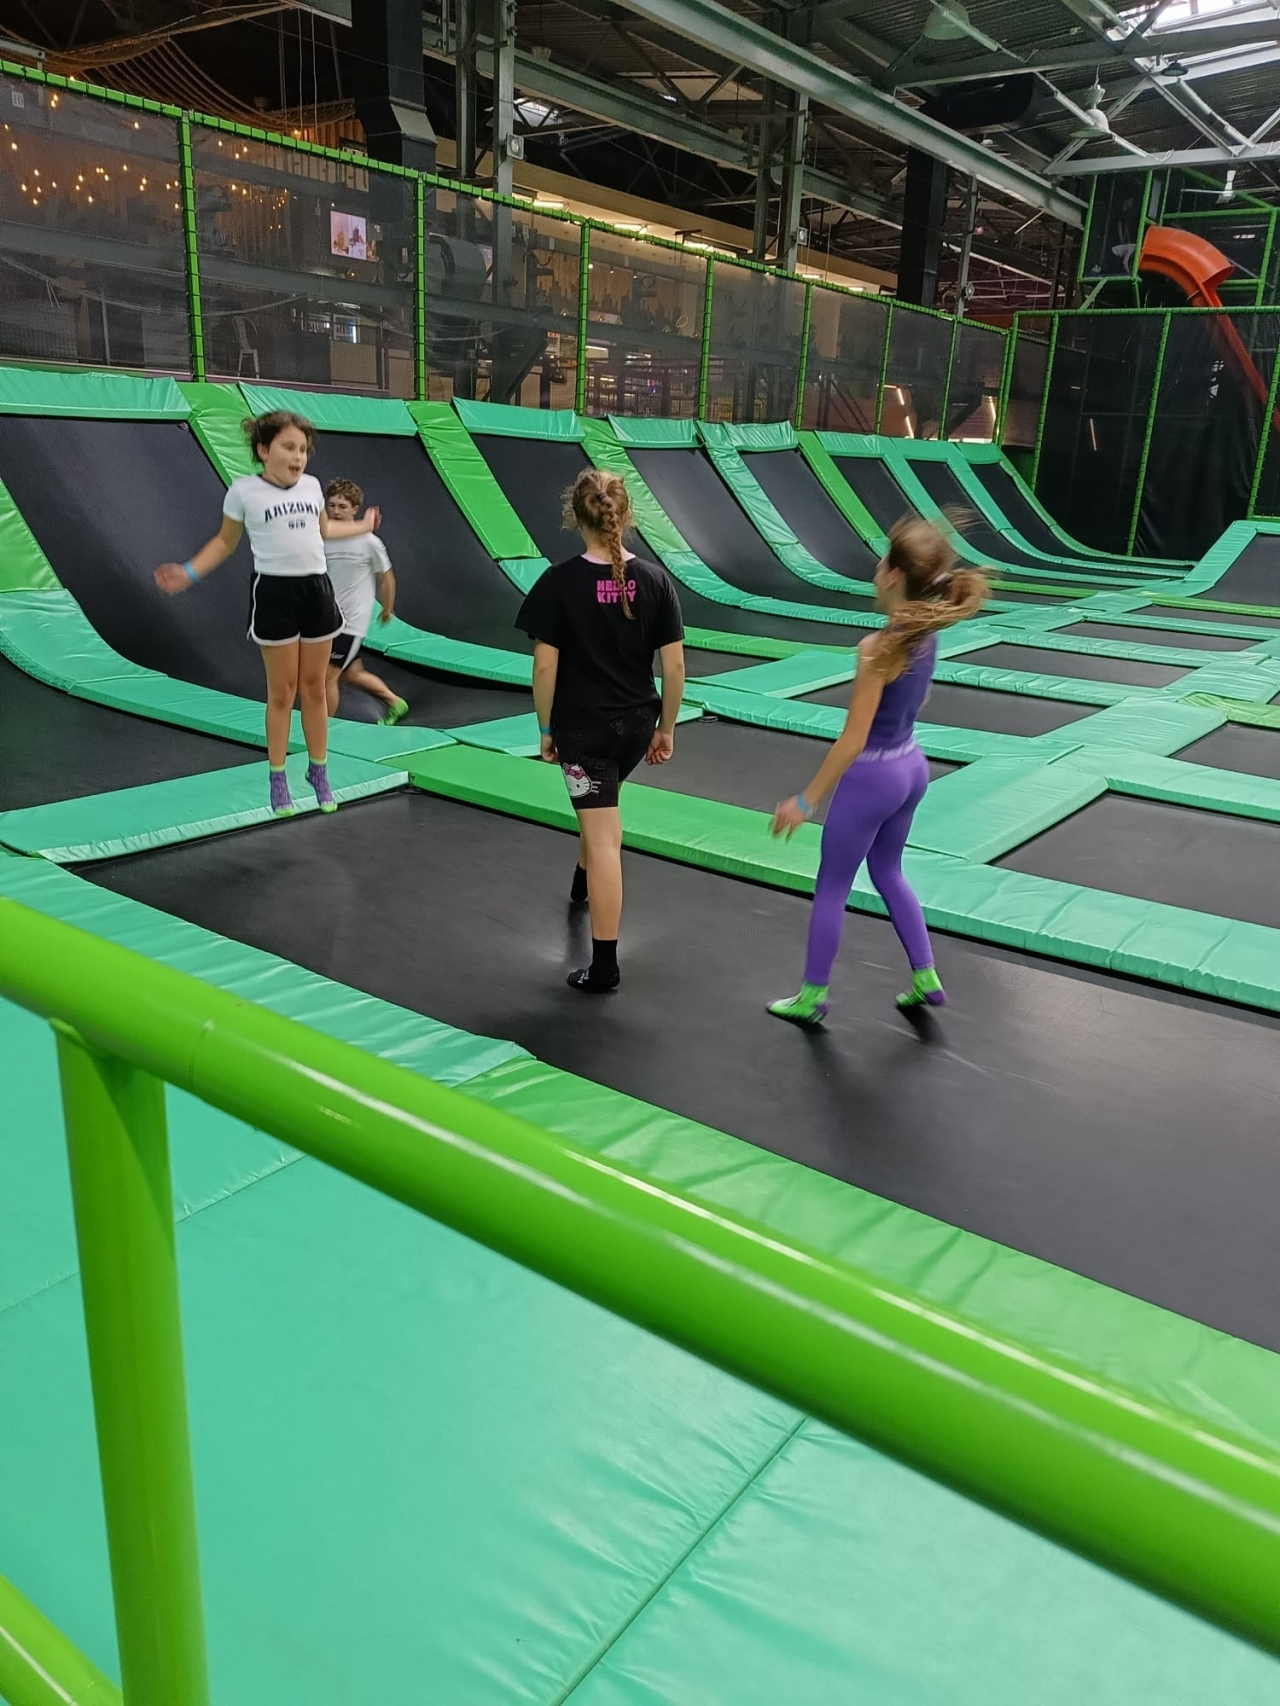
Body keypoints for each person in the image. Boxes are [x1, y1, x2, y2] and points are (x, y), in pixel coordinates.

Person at [768, 515, 989, 1025]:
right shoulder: (926, 635)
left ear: (893, 575)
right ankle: (925, 974)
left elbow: (853, 739)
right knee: (888, 871)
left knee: (832, 887)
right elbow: (920, 698)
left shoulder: (878, 648)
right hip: (911, 766)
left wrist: (805, 801)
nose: (874, 569)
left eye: (880, 560)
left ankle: (812, 996)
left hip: (873, 777)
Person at [155, 410, 380, 817]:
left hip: (316, 592)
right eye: (288, 447)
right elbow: (224, 543)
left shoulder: (312, 487)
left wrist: (362, 527)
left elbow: (325, 530)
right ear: (263, 450)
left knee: (315, 688)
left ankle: (318, 770)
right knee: (282, 692)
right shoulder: (244, 492)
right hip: (275, 595)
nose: (298, 457)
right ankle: (278, 777)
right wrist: (188, 572)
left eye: (303, 450)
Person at [516, 467, 685, 993]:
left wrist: (545, 728)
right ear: (626, 515)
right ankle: (581, 878)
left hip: (583, 730)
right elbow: (675, 667)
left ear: (576, 517)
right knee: (601, 808)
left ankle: (605, 965)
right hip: (635, 725)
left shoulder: (559, 582)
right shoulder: (655, 580)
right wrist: (666, 728)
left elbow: (544, 668)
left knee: (606, 835)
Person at [322, 477, 407, 726]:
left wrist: (387, 609)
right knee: (351, 674)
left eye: (343, 506)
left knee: (326, 679)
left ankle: (323, 732)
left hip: (350, 622)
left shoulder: (369, 542)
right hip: (326, 619)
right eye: (332, 505)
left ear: (355, 509)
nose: (336, 511)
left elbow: (387, 578)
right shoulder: (324, 537)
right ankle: (395, 702)